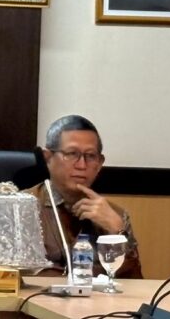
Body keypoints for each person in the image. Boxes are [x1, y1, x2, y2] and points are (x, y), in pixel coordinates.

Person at [25, 115, 143, 278]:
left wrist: (118, 233)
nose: (82, 165)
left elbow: (133, 283)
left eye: (91, 156)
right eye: (72, 154)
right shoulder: (21, 208)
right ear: (47, 158)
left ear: (100, 163)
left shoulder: (115, 214)